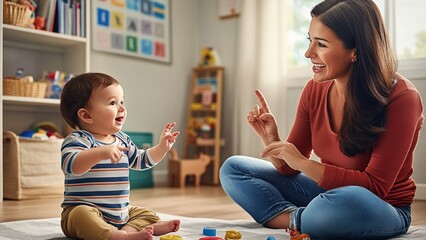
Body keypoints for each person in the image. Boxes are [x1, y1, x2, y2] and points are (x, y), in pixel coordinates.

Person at [220, 0, 424, 239]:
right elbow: (287, 169)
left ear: (355, 51)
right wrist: (272, 140)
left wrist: (304, 164)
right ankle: (298, 219)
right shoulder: (314, 90)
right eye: (310, 40)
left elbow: (376, 188)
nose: (308, 53)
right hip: (326, 196)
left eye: (322, 44)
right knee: (234, 168)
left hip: (380, 207)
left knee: (347, 200)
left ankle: (298, 217)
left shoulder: (402, 99)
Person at [59, 72, 181, 240]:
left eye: (122, 102)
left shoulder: (122, 139)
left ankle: (126, 232)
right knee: (81, 216)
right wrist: (100, 153)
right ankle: (118, 236)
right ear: (86, 115)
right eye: (112, 103)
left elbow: (141, 160)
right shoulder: (78, 139)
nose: (122, 108)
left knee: (146, 213)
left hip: (119, 214)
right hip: (84, 210)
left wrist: (161, 148)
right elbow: (72, 165)